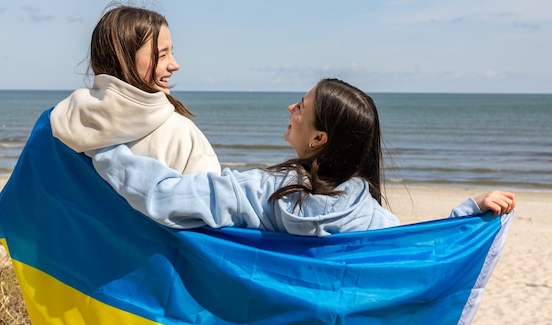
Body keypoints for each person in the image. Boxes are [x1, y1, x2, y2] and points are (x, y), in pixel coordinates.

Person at [88, 78, 516, 236]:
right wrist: (468, 217)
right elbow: (414, 255)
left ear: (319, 138)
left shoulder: (262, 192)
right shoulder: (366, 219)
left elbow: (163, 195)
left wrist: (101, 146)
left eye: (301, 107)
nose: (290, 108)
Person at [50, 4, 221, 175]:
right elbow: (208, 199)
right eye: (162, 55)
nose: (175, 65)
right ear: (124, 61)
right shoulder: (180, 134)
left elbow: (29, 193)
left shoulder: (54, 122)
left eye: (172, 53)